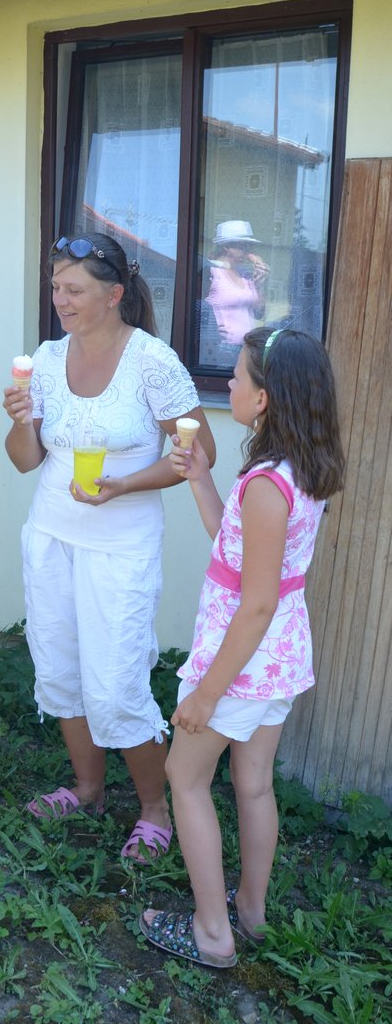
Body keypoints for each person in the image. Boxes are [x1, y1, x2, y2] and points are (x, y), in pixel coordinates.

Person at [2, 233, 215, 860]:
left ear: (115, 294)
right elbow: (24, 461)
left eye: (75, 290)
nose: (60, 300)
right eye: (56, 288)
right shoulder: (46, 359)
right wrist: (20, 420)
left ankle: (155, 810)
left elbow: (198, 454)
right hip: (51, 537)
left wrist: (125, 484)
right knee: (60, 669)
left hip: (121, 547)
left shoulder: (152, 362)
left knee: (116, 684)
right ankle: (88, 789)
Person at [140, 327, 345, 967]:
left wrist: (206, 693)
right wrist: (202, 479)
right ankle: (250, 912)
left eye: (237, 377)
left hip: (241, 661)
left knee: (184, 777)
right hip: (279, 658)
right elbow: (237, 553)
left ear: (264, 399)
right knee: (253, 784)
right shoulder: (299, 472)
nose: (228, 384)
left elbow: (253, 603)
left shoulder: (265, 486)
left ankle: (212, 933)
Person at [202, 221, 269, 367]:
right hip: (225, 346)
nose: (247, 251)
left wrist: (260, 285)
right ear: (226, 246)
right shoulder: (211, 272)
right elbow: (193, 306)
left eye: (248, 246)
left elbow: (259, 313)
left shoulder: (246, 276)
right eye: (242, 246)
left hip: (249, 347)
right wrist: (209, 330)